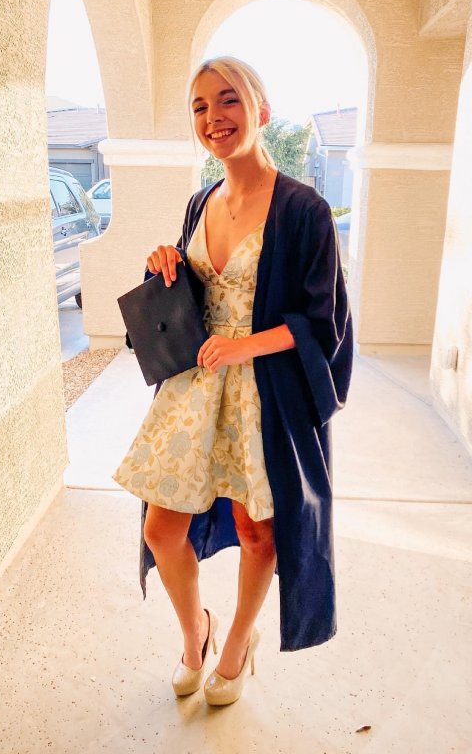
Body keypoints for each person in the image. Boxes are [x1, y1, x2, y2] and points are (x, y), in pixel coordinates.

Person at [112, 56, 353, 706]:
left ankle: (238, 644)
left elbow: (324, 320)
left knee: (257, 532)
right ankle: (197, 632)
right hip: (194, 386)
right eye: (199, 106)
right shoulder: (201, 201)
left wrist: (246, 344)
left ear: (260, 110)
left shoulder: (303, 210)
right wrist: (166, 261)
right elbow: (195, 291)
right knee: (161, 530)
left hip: (263, 393)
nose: (213, 117)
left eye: (227, 100)